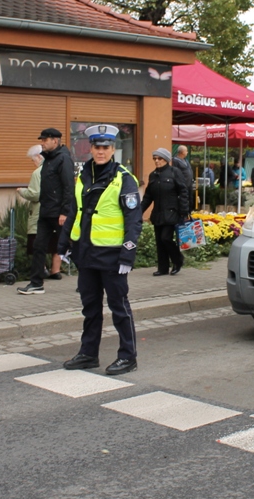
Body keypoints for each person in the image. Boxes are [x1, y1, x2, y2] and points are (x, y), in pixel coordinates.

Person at [59, 124, 142, 375]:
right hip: (85, 253)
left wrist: (128, 253)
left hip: (112, 256)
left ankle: (128, 356)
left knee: (119, 307)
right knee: (90, 307)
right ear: (91, 149)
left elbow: (133, 220)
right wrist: (63, 244)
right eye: (97, 147)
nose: (101, 151)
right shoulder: (83, 176)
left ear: (113, 149)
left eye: (106, 147)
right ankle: (88, 353)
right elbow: (74, 212)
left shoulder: (124, 178)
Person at [18, 128, 75, 294]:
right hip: (45, 212)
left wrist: (65, 211)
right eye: (42, 140)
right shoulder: (49, 160)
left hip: (58, 213)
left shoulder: (63, 159)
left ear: (55, 141)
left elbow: (68, 187)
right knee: (39, 246)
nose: (42, 143)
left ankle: (89, 280)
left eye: (45, 140)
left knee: (70, 246)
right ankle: (36, 283)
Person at [141, 148, 190, 276]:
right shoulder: (153, 175)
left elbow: (183, 191)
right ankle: (162, 268)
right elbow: (148, 196)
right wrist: (138, 211)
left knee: (166, 238)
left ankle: (177, 260)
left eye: (160, 158)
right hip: (157, 213)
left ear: (166, 160)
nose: (157, 161)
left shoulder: (175, 172)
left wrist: (184, 210)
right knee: (159, 241)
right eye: (155, 159)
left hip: (172, 212)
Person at [17, 144, 62, 279]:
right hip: (57, 211)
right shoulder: (57, 169)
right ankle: (56, 270)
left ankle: (41, 270)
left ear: (38, 157)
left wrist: (22, 191)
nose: (34, 163)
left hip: (40, 212)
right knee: (57, 242)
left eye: (33, 160)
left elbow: (36, 194)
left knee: (37, 244)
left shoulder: (38, 173)